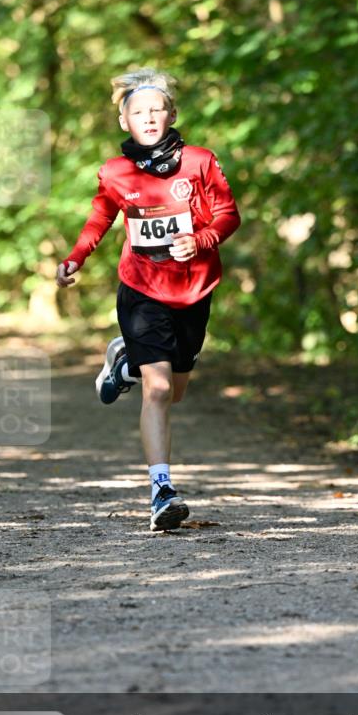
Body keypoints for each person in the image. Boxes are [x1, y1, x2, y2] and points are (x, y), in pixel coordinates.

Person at [55, 68, 241, 532]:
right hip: (141, 290)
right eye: (139, 111)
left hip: (194, 291)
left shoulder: (199, 161)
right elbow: (100, 218)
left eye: (158, 109)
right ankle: (162, 492)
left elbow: (228, 215)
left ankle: (124, 363)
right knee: (156, 390)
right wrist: (76, 257)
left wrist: (201, 240)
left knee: (175, 392)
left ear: (172, 114)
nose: (150, 117)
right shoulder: (116, 172)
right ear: (125, 122)